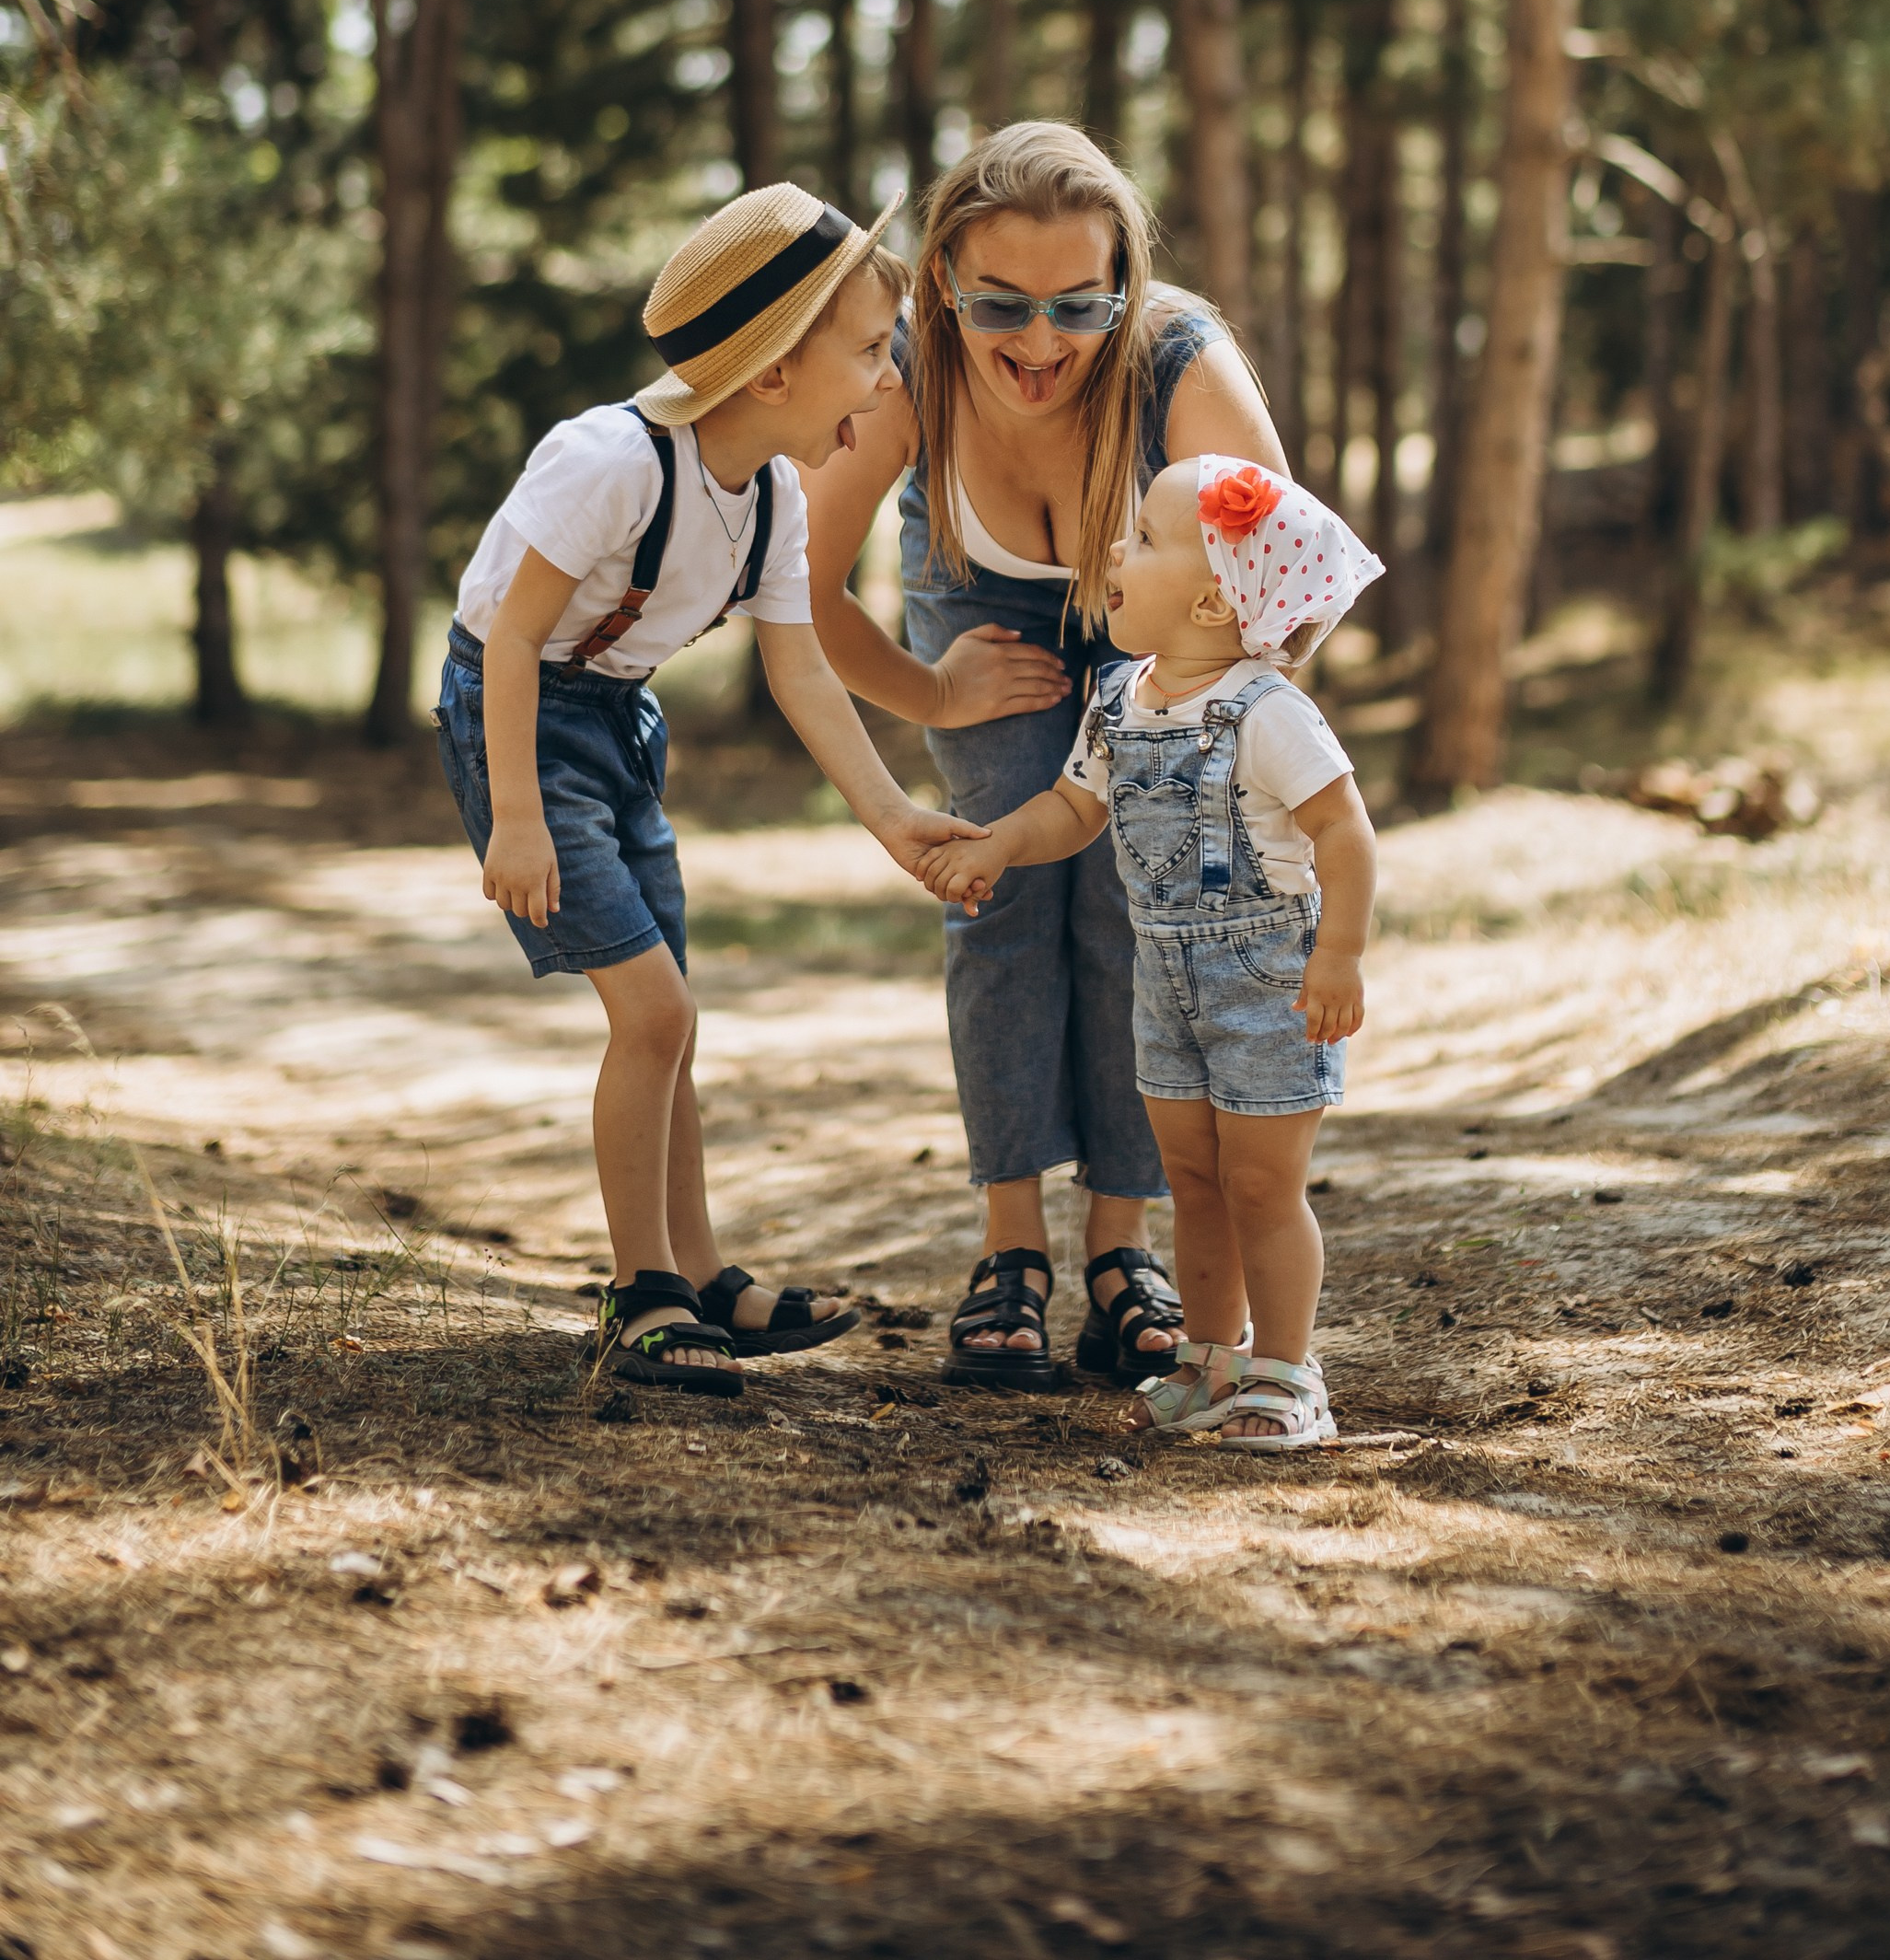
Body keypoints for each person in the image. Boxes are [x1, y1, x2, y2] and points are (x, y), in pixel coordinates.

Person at [436, 184, 982, 1398]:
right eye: (865, 352)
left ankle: (702, 1272)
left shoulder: (774, 497)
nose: (887, 380)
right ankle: (643, 1294)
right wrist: (518, 813)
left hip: (622, 723)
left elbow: (799, 672)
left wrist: (891, 814)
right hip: (520, 717)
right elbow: (513, 640)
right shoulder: (608, 463)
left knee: (669, 1017)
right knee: (656, 1015)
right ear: (774, 375)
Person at [805, 123, 1287, 1390]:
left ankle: (1124, 1248)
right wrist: (926, 688)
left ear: (1125, 285)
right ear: (940, 287)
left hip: (1165, 622)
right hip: (985, 613)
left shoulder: (1179, 363)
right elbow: (796, 594)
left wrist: (1187, 738)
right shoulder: (904, 368)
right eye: (998, 305)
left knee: (1136, 897)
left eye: (1080, 303)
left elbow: (1280, 594)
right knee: (1004, 885)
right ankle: (1010, 1244)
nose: (1038, 343)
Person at [917, 455, 1383, 1450]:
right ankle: (1211, 1359)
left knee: (1262, 1185)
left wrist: (1338, 954)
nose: (1115, 551)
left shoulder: (1269, 714)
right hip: (1163, 980)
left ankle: (1290, 1374)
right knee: (1194, 1177)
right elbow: (1074, 808)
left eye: (1144, 539)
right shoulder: (1120, 697)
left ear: (1215, 603)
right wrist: (1001, 841)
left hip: (1266, 985)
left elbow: (1345, 834)